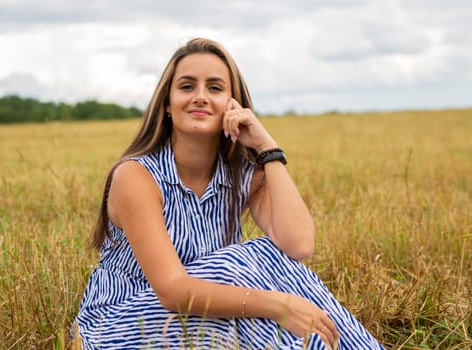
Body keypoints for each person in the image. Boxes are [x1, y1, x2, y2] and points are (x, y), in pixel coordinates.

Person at [72, 37, 384, 349]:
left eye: (215, 88)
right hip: (120, 323)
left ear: (233, 105)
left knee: (273, 260)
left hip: (207, 319)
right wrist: (279, 305)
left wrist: (266, 148)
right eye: (186, 86)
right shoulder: (136, 176)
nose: (200, 97)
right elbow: (172, 290)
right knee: (241, 263)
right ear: (167, 104)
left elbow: (298, 245)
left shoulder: (242, 176)